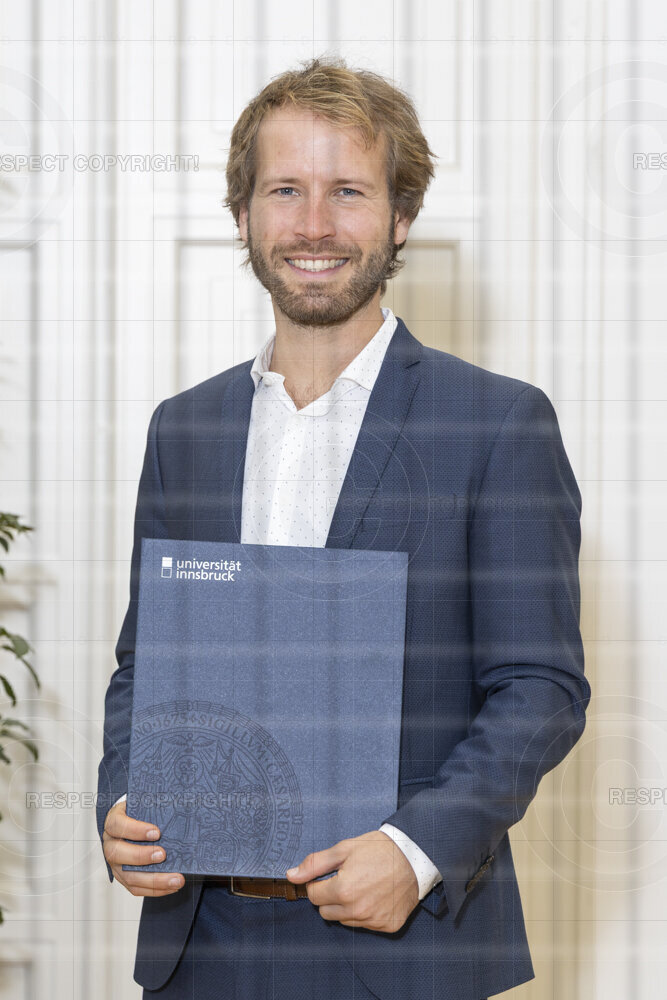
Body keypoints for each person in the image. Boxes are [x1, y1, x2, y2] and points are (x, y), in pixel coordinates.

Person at [96, 55, 591, 999]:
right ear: (242, 214)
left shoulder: (495, 424)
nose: (314, 224)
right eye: (285, 189)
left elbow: (541, 689)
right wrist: (121, 800)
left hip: (400, 947)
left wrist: (416, 849)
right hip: (199, 943)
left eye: (348, 192)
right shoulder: (184, 429)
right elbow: (144, 666)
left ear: (400, 217)